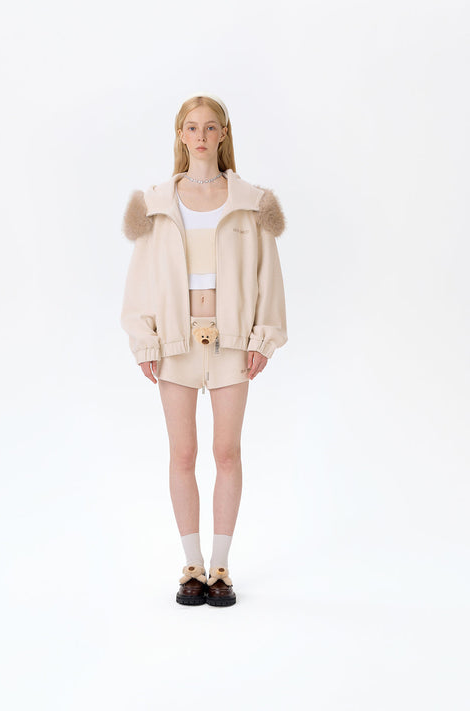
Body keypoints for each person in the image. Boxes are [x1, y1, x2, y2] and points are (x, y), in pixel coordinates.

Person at [120, 93, 287, 607]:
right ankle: (191, 566)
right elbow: (141, 279)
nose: (200, 136)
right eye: (191, 127)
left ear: (223, 134)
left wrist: (264, 337)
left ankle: (221, 567)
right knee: (183, 453)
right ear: (180, 134)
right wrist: (144, 340)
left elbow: (269, 276)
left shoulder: (251, 202)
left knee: (227, 452)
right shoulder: (155, 204)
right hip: (176, 341)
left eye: (210, 127)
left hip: (232, 341)